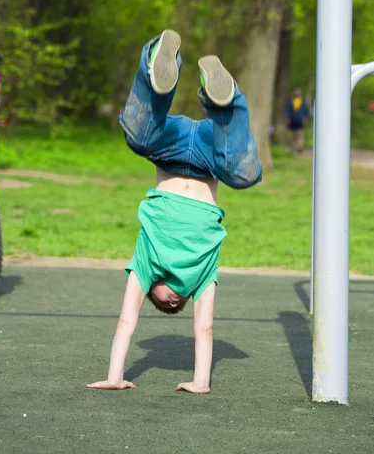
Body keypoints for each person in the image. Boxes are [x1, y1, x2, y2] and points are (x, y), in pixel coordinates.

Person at [87, 30, 262, 394]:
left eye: (163, 303)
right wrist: (201, 382)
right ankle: (225, 102)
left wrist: (115, 376)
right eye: (176, 306)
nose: (173, 302)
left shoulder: (145, 265)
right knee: (244, 174)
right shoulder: (200, 278)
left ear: (151, 291)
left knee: (137, 137)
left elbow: (125, 321)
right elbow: (204, 328)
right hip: (209, 159)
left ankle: (157, 77)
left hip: (167, 150)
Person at [284, 87, 309, 153]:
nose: (296, 94)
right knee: (293, 135)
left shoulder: (303, 102)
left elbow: (306, 111)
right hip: (292, 120)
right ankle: (293, 148)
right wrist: (287, 118)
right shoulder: (290, 101)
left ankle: (299, 147)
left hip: (300, 120)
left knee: (300, 134)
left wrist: (306, 118)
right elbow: (287, 110)